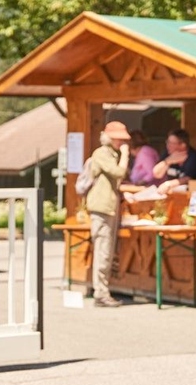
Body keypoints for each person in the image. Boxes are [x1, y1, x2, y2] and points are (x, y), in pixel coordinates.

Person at [85, 120, 131, 308]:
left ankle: (102, 291)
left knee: (107, 251)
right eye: (118, 139)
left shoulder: (110, 154)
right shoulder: (102, 154)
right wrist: (126, 155)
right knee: (103, 251)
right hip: (101, 208)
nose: (122, 143)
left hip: (108, 208)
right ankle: (101, 293)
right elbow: (118, 172)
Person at [151, 128, 196, 194]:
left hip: (192, 194)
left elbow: (188, 178)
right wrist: (167, 161)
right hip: (173, 195)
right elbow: (157, 174)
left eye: (171, 143)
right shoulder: (168, 154)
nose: (168, 145)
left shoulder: (194, 157)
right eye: (168, 142)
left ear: (183, 145)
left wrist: (168, 184)